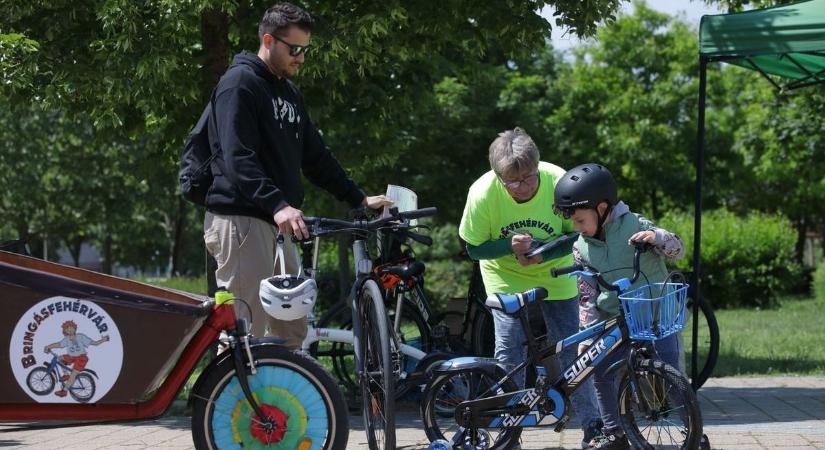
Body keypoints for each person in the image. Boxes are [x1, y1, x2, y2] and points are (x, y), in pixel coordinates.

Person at [202, 2, 391, 346]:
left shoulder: (288, 93)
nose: (301, 57)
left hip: (277, 224)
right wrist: (278, 205)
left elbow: (316, 158)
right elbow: (236, 157)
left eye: (305, 50)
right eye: (295, 49)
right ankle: (228, 400)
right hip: (241, 221)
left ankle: (281, 401)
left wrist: (359, 198)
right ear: (269, 40)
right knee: (246, 333)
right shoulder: (239, 83)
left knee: (291, 330)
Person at [459, 128, 602, 449]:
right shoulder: (482, 193)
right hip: (505, 278)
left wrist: (542, 251)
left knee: (571, 352)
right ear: (499, 177)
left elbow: (576, 234)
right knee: (509, 351)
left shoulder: (558, 181)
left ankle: (592, 426)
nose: (523, 186)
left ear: (538, 168)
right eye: (513, 181)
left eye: (529, 178)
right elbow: (474, 249)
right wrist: (509, 247)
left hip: (555, 276)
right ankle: (510, 433)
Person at [553, 163, 686, 450]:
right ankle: (613, 433)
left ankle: (692, 433)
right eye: (574, 223)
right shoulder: (581, 247)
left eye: (579, 220)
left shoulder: (635, 224)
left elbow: (678, 249)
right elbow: (587, 295)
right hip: (616, 319)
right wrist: (587, 335)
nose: (576, 228)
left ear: (601, 208)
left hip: (655, 315)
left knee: (672, 374)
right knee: (602, 372)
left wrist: (657, 238)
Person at [43, 320, 109, 398]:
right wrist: (48, 347)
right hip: (72, 357)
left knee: (73, 374)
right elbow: (59, 344)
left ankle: (64, 391)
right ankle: (66, 375)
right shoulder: (67, 339)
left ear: (75, 328)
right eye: (67, 329)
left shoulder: (80, 336)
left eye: (71, 328)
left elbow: (94, 343)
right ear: (65, 331)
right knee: (59, 358)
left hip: (81, 358)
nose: (70, 330)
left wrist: (103, 340)